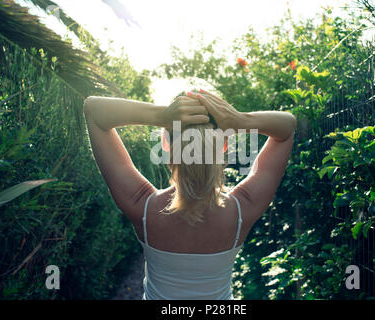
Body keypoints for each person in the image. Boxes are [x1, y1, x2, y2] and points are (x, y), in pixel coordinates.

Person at [83, 89, 297, 300]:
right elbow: (287, 126)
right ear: (223, 146)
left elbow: (94, 109)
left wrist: (161, 116)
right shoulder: (243, 209)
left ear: (165, 143)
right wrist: (239, 120)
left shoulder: (143, 206)